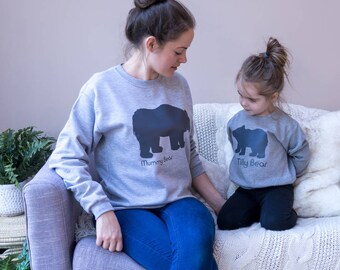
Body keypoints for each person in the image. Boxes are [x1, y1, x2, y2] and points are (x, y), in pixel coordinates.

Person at [49, 0, 225, 269]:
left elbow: (188, 153)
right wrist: (102, 210)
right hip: (127, 208)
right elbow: (65, 157)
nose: (184, 59)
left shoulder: (179, 86)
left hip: (181, 202)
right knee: (188, 263)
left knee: (194, 253)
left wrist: (219, 203)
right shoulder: (101, 89)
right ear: (152, 44)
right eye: (179, 51)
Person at [217, 37, 310, 231]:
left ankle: (279, 212)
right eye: (240, 94)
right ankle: (261, 210)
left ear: (272, 97)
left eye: (251, 99)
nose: (243, 102)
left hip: (276, 188)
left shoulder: (284, 124)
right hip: (247, 189)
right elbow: (236, 147)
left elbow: (301, 152)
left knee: (274, 222)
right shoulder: (236, 121)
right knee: (226, 221)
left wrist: (289, 172)